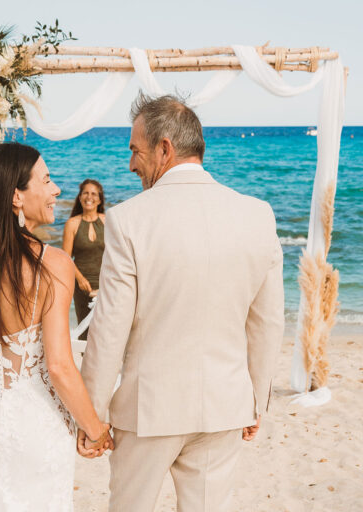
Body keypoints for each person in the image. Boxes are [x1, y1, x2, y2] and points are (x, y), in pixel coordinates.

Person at [80, 93, 284, 512]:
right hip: (224, 406)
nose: (131, 164)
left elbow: (109, 328)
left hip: (148, 411)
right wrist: (255, 400)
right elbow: (267, 322)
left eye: (135, 151)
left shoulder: (128, 219)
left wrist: (92, 414)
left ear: (164, 148)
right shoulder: (258, 215)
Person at [0, 142, 112, 511]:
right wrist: (95, 430)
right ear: (17, 196)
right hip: (36, 422)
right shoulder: (53, 264)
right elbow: (59, 367)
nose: (56, 190)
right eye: (46, 181)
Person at [62, 179, 106, 339]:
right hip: (81, 285)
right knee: (85, 331)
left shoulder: (107, 221)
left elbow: (115, 254)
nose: (89, 197)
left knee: (105, 330)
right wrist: (80, 279)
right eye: (85, 193)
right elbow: (66, 258)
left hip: (105, 283)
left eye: (94, 194)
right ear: (80, 197)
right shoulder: (72, 224)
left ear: (99, 199)